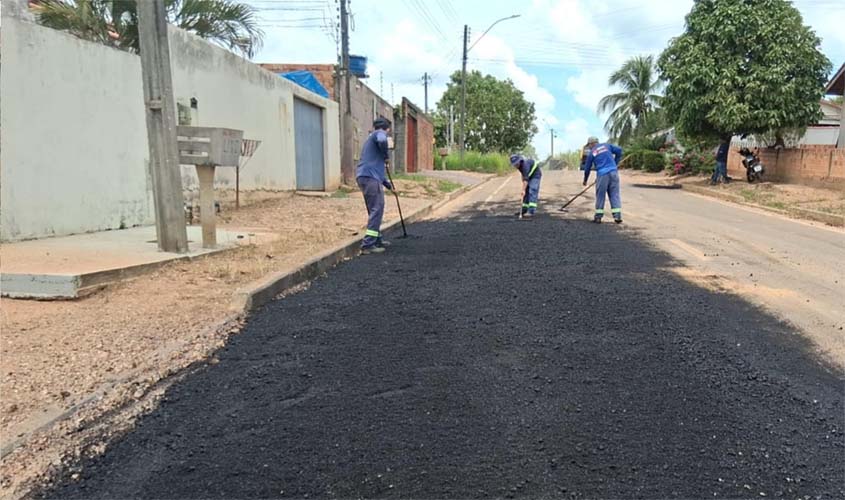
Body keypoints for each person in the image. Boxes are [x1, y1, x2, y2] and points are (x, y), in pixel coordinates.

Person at [356, 117, 394, 254]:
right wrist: (386, 155)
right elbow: (383, 140)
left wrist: (388, 185)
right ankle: (368, 245)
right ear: (387, 129)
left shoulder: (370, 142)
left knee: (374, 210)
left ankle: (376, 239)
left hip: (365, 177)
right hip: (370, 178)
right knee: (377, 209)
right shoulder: (379, 134)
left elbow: (377, 171)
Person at [582, 136, 623, 224]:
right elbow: (619, 150)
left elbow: (587, 168)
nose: (589, 147)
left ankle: (598, 217)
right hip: (614, 173)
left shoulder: (592, 152)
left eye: (589, 145)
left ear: (592, 143)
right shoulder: (606, 146)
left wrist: (585, 180)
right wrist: (615, 163)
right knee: (614, 194)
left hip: (602, 174)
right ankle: (617, 216)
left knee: (600, 195)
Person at [510, 154, 542, 218]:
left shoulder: (525, 165)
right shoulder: (519, 166)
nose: (515, 165)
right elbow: (523, 175)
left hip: (535, 175)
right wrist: (524, 188)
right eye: (514, 164)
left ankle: (531, 211)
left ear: (519, 161)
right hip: (528, 175)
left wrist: (523, 190)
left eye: (516, 164)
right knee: (526, 193)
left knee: (532, 190)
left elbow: (526, 179)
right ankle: (524, 210)